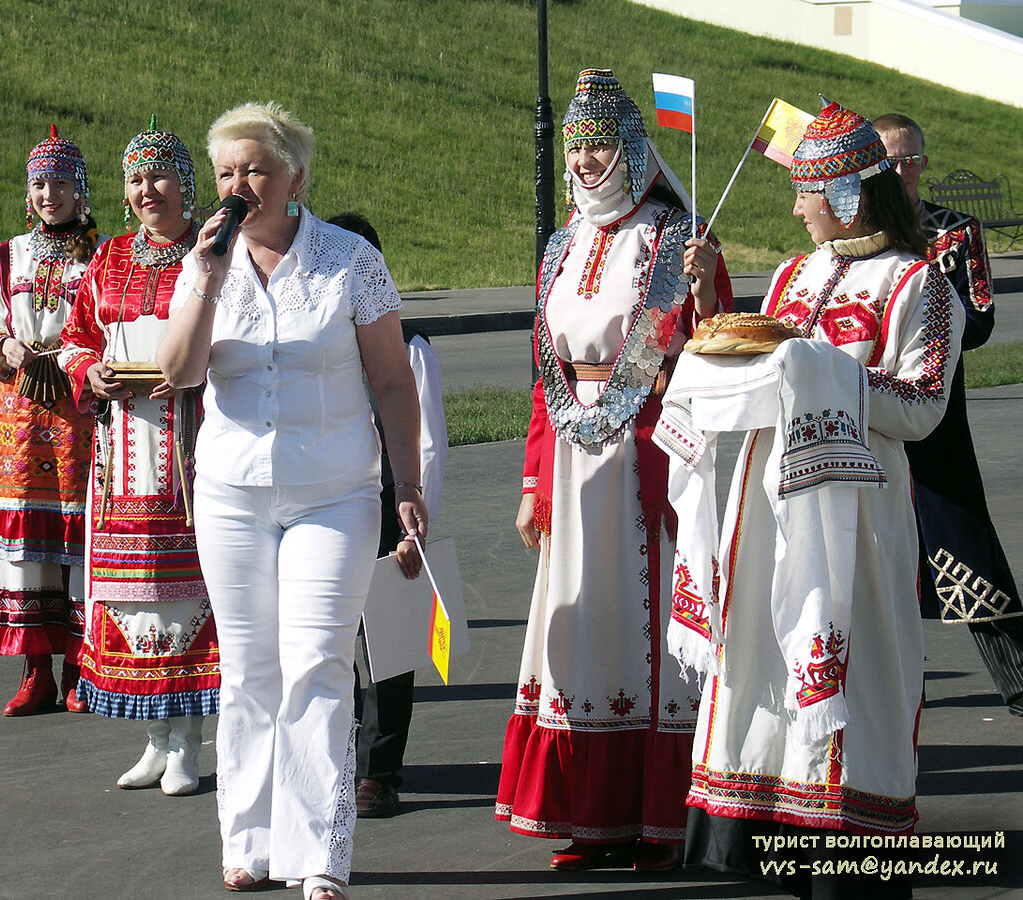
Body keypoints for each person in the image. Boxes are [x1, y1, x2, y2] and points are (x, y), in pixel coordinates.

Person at [669, 99, 962, 899]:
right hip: (770, 505)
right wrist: (711, 317)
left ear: (845, 195)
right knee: (765, 656)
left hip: (861, 518)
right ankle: (779, 837)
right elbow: (763, 367)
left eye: (806, 192)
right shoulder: (795, 275)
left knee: (860, 669)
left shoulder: (919, 284)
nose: (796, 208)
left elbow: (922, 406)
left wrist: (823, 372)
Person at [157, 102, 426, 900]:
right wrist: (203, 280)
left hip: (335, 494)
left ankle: (319, 856)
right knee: (247, 667)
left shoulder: (349, 260)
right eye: (228, 172)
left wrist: (406, 485)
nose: (240, 185)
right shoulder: (204, 260)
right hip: (232, 494)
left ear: (296, 179)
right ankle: (248, 840)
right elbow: (178, 373)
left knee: (315, 663)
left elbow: (391, 381)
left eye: (256, 170)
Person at [495, 68, 734, 873]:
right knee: (584, 630)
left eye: (600, 143)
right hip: (572, 455)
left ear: (632, 149)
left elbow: (717, 345)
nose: (587, 158)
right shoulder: (561, 244)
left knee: (651, 630)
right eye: (576, 144)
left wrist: (705, 291)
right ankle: (591, 814)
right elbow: (544, 371)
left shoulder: (677, 239)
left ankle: (660, 818)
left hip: (648, 455)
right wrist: (533, 481)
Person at [59, 118, 219, 796]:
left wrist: (190, 371)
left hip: (194, 449)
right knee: (134, 595)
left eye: (157, 176)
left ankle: (188, 741)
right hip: (123, 457)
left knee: (187, 595)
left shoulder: (213, 253)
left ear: (184, 185)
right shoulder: (107, 258)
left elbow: (237, 336)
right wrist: (90, 370)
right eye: (134, 179)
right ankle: (153, 739)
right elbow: (74, 337)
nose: (145, 189)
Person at [874, 113, 1023, 715]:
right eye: (891, 161)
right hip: (871, 412)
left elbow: (982, 319)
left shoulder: (954, 233)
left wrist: (930, 312)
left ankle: (1016, 676)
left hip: (936, 410)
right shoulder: (860, 236)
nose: (904, 172)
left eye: (913, 160)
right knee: (872, 541)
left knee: (961, 534)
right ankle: (883, 678)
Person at [0, 126, 103, 716]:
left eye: (60, 183)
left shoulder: (101, 252)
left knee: (80, 536)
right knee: (28, 544)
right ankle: (34, 668)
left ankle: (79, 671)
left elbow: (103, 321)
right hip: (20, 411)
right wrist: (4, 347)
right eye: (40, 183)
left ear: (80, 190)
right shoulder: (9, 253)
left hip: (80, 409)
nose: (49, 194)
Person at [325, 212, 448, 820]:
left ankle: (381, 768)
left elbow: (428, 441)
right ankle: (337, 756)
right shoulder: (320, 340)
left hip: (389, 506)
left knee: (390, 648)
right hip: (330, 500)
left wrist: (414, 523)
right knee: (333, 640)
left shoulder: (408, 346)